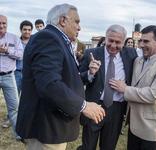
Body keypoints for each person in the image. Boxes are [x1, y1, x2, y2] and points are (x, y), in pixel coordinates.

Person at [16, 4, 105, 150]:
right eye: (76, 21)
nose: (79, 27)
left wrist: (89, 74)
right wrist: (83, 105)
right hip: (45, 128)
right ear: (63, 20)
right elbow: (49, 84)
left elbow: (65, 77)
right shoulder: (48, 38)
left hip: (51, 125)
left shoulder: (57, 39)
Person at [109, 25, 156, 150]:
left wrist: (125, 89)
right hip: (134, 125)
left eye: (146, 41)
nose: (141, 45)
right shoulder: (137, 61)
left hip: (152, 128)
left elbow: (154, 95)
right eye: (140, 41)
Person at [79, 24, 137, 150]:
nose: (113, 45)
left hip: (116, 108)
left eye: (118, 42)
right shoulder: (91, 53)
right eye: (110, 41)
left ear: (124, 42)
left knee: (109, 146)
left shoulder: (131, 54)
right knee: (88, 146)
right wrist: (90, 73)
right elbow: (78, 79)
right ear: (105, 38)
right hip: (95, 106)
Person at [0, 15, 23, 139]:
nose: (2, 25)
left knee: (14, 107)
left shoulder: (13, 38)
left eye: (4, 23)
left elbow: (20, 55)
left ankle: (19, 134)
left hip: (9, 76)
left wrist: (7, 51)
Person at [15, 20, 33, 95]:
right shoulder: (16, 42)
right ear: (21, 30)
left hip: (30, 73)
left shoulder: (34, 43)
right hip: (17, 73)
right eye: (25, 29)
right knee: (15, 96)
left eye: (29, 30)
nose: (27, 32)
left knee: (29, 96)